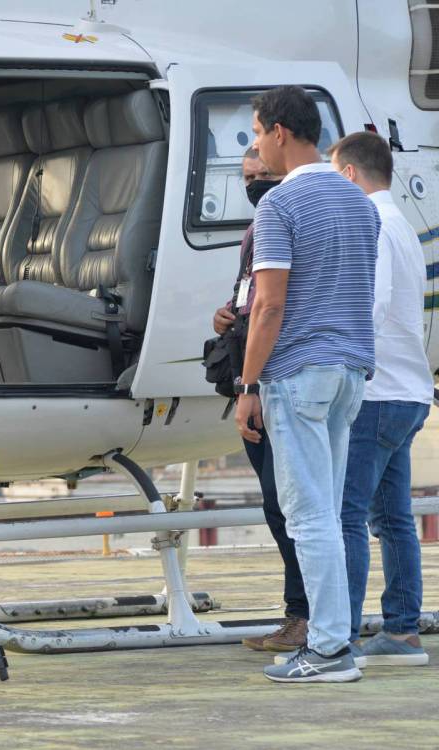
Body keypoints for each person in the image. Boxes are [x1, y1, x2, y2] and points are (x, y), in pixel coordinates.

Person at [236, 85, 380, 683]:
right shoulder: (359, 202)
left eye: (254, 133)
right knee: (331, 508)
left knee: (309, 515)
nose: (254, 147)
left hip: (297, 373)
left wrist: (248, 385)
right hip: (350, 372)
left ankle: (327, 650)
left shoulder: (277, 206)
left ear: (278, 131)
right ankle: (335, 640)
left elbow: (268, 306)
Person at [330, 131, 432, 667]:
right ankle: (401, 631)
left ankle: (340, 638)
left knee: (347, 514)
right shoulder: (405, 228)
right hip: (410, 389)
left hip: (376, 393)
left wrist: (342, 366)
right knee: (393, 518)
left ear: (348, 174)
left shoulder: (370, 224)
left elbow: (371, 305)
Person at [212, 150, 308, 653]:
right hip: (256, 380)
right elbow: (256, 297)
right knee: (276, 506)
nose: (255, 185)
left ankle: (308, 616)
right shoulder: (258, 230)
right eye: (248, 178)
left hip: (277, 383)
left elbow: (277, 303)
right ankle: (300, 614)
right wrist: (229, 313)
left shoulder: (286, 219)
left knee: (290, 504)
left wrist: (250, 387)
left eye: (263, 177)